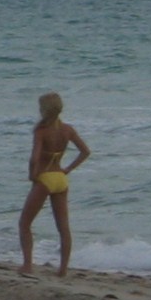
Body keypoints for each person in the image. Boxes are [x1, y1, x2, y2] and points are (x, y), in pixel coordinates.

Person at [19, 90, 91, 277]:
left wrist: (32, 175)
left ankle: (27, 265)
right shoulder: (67, 129)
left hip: (45, 178)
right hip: (60, 178)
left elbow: (34, 158)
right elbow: (85, 152)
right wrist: (67, 169)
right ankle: (63, 269)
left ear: (45, 110)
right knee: (63, 227)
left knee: (25, 223)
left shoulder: (41, 131)